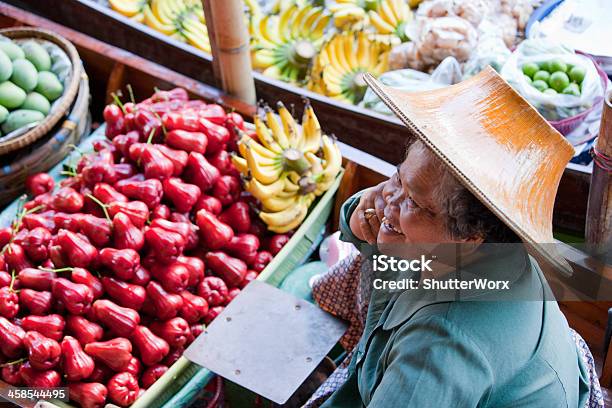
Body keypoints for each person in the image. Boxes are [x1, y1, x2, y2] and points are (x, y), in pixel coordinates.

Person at [306, 68, 594, 407]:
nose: (391, 198)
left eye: (414, 201)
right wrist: (361, 213)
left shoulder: (437, 351)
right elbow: (369, 224)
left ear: (470, 235)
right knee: (303, 285)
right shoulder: (479, 250)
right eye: (398, 177)